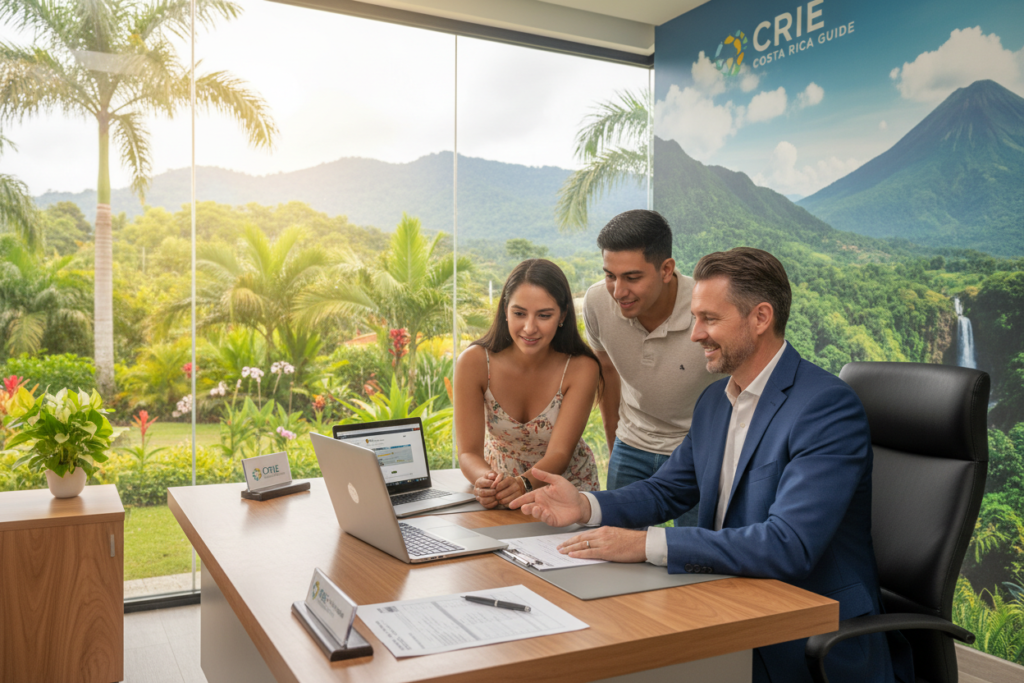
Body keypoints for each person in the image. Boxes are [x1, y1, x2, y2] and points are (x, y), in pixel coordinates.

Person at [512, 248, 910, 683]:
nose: (695, 334)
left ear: (760, 318)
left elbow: (787, 545)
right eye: (695, 317)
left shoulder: (825, 408)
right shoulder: (714, 403)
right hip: (728, 604)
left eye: (710, 320)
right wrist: (585, 507)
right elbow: (666, 491)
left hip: (805, 634)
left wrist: (644, 545)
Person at [582, 210, 720, 526]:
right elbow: (607, 369)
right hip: (631, 445)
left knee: (697, 558)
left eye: (632, 277)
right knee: (614, 548)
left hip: (697, 451)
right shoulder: (597, 303)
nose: (618, 292)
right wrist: (613, 438)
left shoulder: (706, 309)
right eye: (609, 275)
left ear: (666, 269)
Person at [456, 259, 602, 508]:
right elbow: (468, 452)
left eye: (544, 315)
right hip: (499, 491)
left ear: (563, 315)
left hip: (566, 489)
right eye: (519, 313)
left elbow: (559, 454)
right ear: (505, 310)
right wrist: (486, 482)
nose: (529, 328)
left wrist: (522, 484)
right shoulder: (474, 362)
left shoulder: (581, 368)